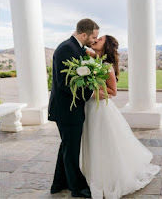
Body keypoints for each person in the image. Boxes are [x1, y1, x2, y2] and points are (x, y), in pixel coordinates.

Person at [80, 35, 161, 199]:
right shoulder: (89, 59)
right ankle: (89, 174)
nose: (96, 40)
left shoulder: (107, 66)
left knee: (102, 142)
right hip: (87, 108)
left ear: (107, 46)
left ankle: (107, 177)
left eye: (100, 39)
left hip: (100, 109)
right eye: (96, 38)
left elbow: (113, 92)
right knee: (90, 140)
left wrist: (95, 92)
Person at [48, 18, 107, 198]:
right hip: (67, 109)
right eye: (93, 37)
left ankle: (58, 183)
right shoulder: (67, 49)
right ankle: (77, 187)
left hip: (70, 108)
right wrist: (90, 94)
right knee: (72, 149)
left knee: (67, 147)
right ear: (84, 34)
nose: (94, 40)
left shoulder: (76, 48)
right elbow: (65, 83)